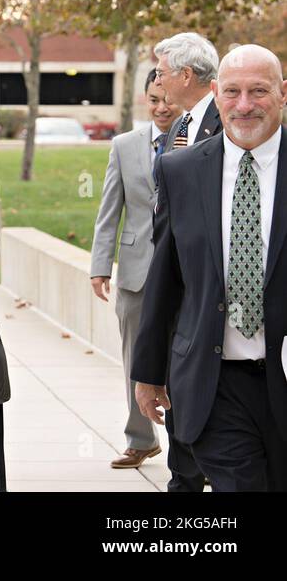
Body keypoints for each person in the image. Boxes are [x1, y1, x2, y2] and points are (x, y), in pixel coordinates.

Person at [133, 45, 287, 491]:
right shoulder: (179, 170)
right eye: (233, 91)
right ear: (216, 94)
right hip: (214, 381)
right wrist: (148, 372)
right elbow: (165, 278)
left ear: (282, 94)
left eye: (258, 91)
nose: (244, 105)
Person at [89, 68, 177, 470]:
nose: (161, 107)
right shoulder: (124, 145)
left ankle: (191, 447)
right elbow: (110, 210)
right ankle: (141, 439)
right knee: (135, 358)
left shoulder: (201, 140)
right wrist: (100, 265)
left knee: (183, 361)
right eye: (153, 100)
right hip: (136, 270)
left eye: (168, 99)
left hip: (184, 269)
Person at [148, 30, 221, 490]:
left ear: (186, 75)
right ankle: (184, 474)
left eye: (161, 72)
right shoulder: (178, 125)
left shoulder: (224, 121)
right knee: (176, 390)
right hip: (174, 280)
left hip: (207, 285)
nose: (157, 80)